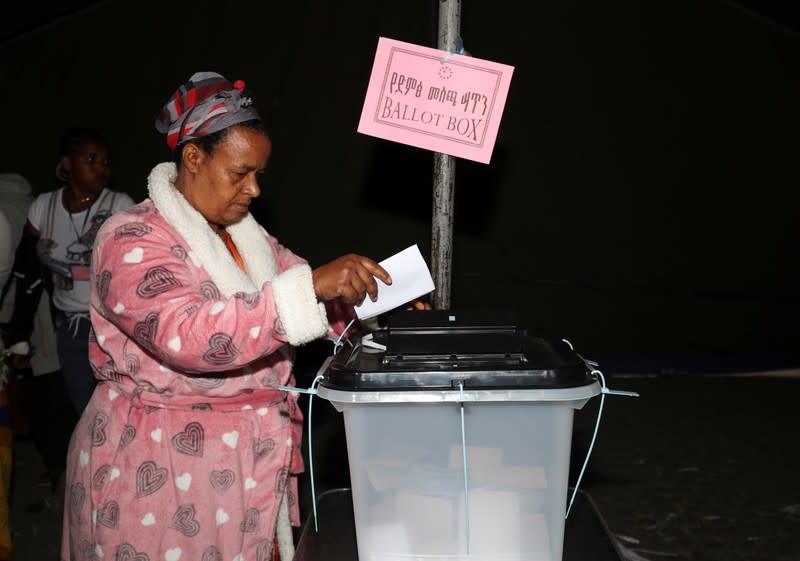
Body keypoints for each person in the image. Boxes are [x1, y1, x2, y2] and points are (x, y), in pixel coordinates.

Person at [61, 71, 393, 561]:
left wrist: (373, 306)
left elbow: (311, 299)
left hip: (248, 468)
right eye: (240, 173)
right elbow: (187, 334)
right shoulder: (129, 237)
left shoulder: (248, 239)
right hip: (159, 471)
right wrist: (313, 286)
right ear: (193, 157)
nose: (254, 190)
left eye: (259, 174)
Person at [24, 128, 135, 416]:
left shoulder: (119, 206)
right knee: (85, 413)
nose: (102, 169)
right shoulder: (42, 207)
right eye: (92, 160)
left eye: (106, 162)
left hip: (111, 328)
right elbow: (27, 266)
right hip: (68, 329)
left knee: (118, 412)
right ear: (67, 164)